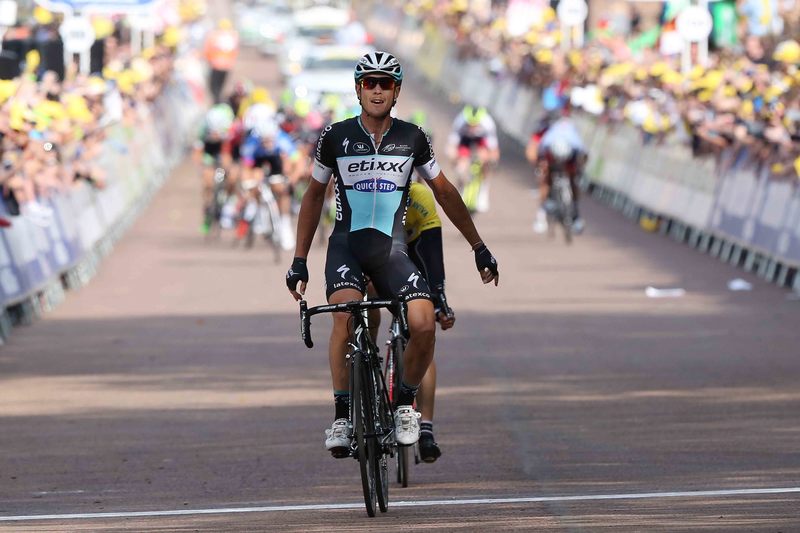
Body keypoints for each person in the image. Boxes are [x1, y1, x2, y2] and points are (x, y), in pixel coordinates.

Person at [286, 51, 499, 458]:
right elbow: (314, 196)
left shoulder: (413, 138)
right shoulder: (334, 136)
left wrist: (479, 247)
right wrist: (299, 260)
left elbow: (445, 192)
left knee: (423, 325)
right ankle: (343, 415)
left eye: (385, 83)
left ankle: (404, 404)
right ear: (358, 89)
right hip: (346, 247)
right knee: (345, 317)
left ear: (397, 90)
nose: (378, 89)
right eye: (370, 82)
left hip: (392, 250)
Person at [529, 111, 587, 234]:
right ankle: (541, 214)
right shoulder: (548, 142)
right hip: (551, 155)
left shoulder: (576, 144)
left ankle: (575, 213)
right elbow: (539, 156)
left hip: (570, 156)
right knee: (545, 177)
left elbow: (584, 157)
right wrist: (540, 169)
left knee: (573, 180)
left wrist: (580, 171)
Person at [445, 104, 500, 213]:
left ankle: (483, 189)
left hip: (481, 140)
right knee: (460, 165)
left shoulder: (488, 124)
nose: (472, 127)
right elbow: (451, 146)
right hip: (465, 140)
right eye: (470, 124)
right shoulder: (460, 122)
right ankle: (461, 187)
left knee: (485, 158)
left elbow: (494, 149)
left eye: (475, 125)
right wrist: (456, 161)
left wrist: (492, 161)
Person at [203, 19, 239, 104]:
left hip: (216, 65)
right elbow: (235, 52)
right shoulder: (233, 37)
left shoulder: (215, 37)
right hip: (226, 66)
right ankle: (218, 101)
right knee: (220, 86)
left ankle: (217, 102)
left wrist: (210, 60)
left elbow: (208, 50)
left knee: (214, 87)